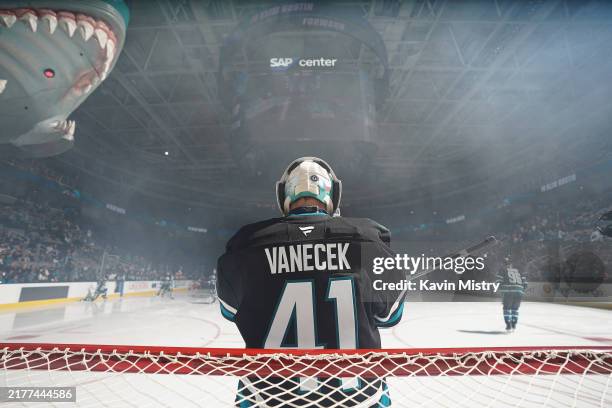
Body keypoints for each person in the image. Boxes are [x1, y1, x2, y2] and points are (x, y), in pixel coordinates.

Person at [217, 157, 407, 407]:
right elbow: (389, 318)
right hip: (359, 399)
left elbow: (229, 312)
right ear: (332, 195)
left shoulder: (245, 246)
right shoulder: (370, 242)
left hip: (269, 399)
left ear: (285, 196)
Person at [496, 256, 528, 332]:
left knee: (506, 309)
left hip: (508, 291)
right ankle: (514, 324)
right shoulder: (519, 271)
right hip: (519, 292)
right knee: (515, 309)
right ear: (511, 264)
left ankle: (508, 325)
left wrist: (502, 291)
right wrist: (520, 290)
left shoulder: (502, 270)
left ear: (504, 264)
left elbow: (498, 282)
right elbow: (525, 284)